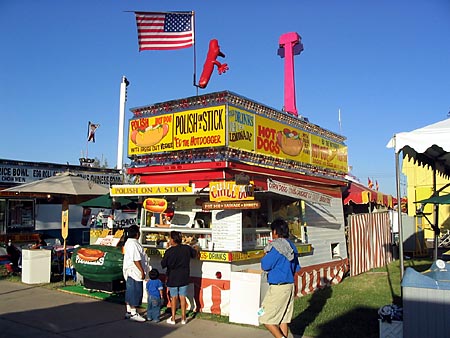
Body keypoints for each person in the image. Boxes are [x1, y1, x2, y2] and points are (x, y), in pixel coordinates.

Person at [259, 218, 301, 338]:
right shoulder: (292, 246)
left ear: (275, 232)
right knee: (283, 318)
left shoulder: (277, 247)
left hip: (278, 288)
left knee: (265, 317)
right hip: (289, 285)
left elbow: (265, 265)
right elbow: (296, 267)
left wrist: (265, 255)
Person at [161, 230, 198, 325]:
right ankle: (183, 318)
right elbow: (195, 254)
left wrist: (166, 250)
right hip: (184, 276)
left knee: (174, 297)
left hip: (173, 277)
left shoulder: (169, 251)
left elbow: (163, 264)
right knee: (182, 297)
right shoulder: (187, 248)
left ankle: (173, 318)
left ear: (173, 240)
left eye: (170, 238)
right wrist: (196, 248)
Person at [122, 224, 150, 322]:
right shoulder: (133, 244)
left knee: (129, 291)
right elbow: (136, 259)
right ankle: (134, 313)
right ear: (137, 234)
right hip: (135, 271)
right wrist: (142, 271)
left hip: (130, 271)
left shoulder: (129, 242)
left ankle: (128, 311)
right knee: (135, 292)